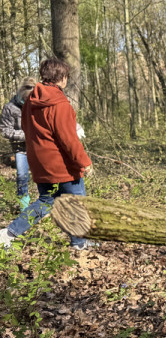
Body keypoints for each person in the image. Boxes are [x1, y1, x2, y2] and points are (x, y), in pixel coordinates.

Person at [0, 58, 95, 250]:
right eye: (66, 76)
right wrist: (84, 162)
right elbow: (68, 139)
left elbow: (27, 130)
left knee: (46, 202)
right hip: (62, 166)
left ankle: (8, 233)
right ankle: (79, 243)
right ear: (62, 78)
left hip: (40, 162)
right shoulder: (60, 103)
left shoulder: (29, 101)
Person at [1, 77, 37, 209]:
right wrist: (26, 136)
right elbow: (5, 130)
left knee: (46, 175)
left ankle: (47, 204)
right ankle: (24, 207)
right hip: (20, 148)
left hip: (39, 147)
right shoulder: (9, 108)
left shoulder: (38, 104)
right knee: (22, 176)